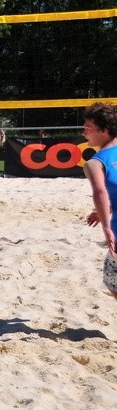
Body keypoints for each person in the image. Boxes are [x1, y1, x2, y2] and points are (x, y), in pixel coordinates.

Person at [82, 102, 117, 300]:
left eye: (87, 128)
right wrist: (110, 208)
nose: (83, 133)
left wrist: (106, 227)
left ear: (103, 131)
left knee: (112, 280)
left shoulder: (95, 162)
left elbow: (100, 192)